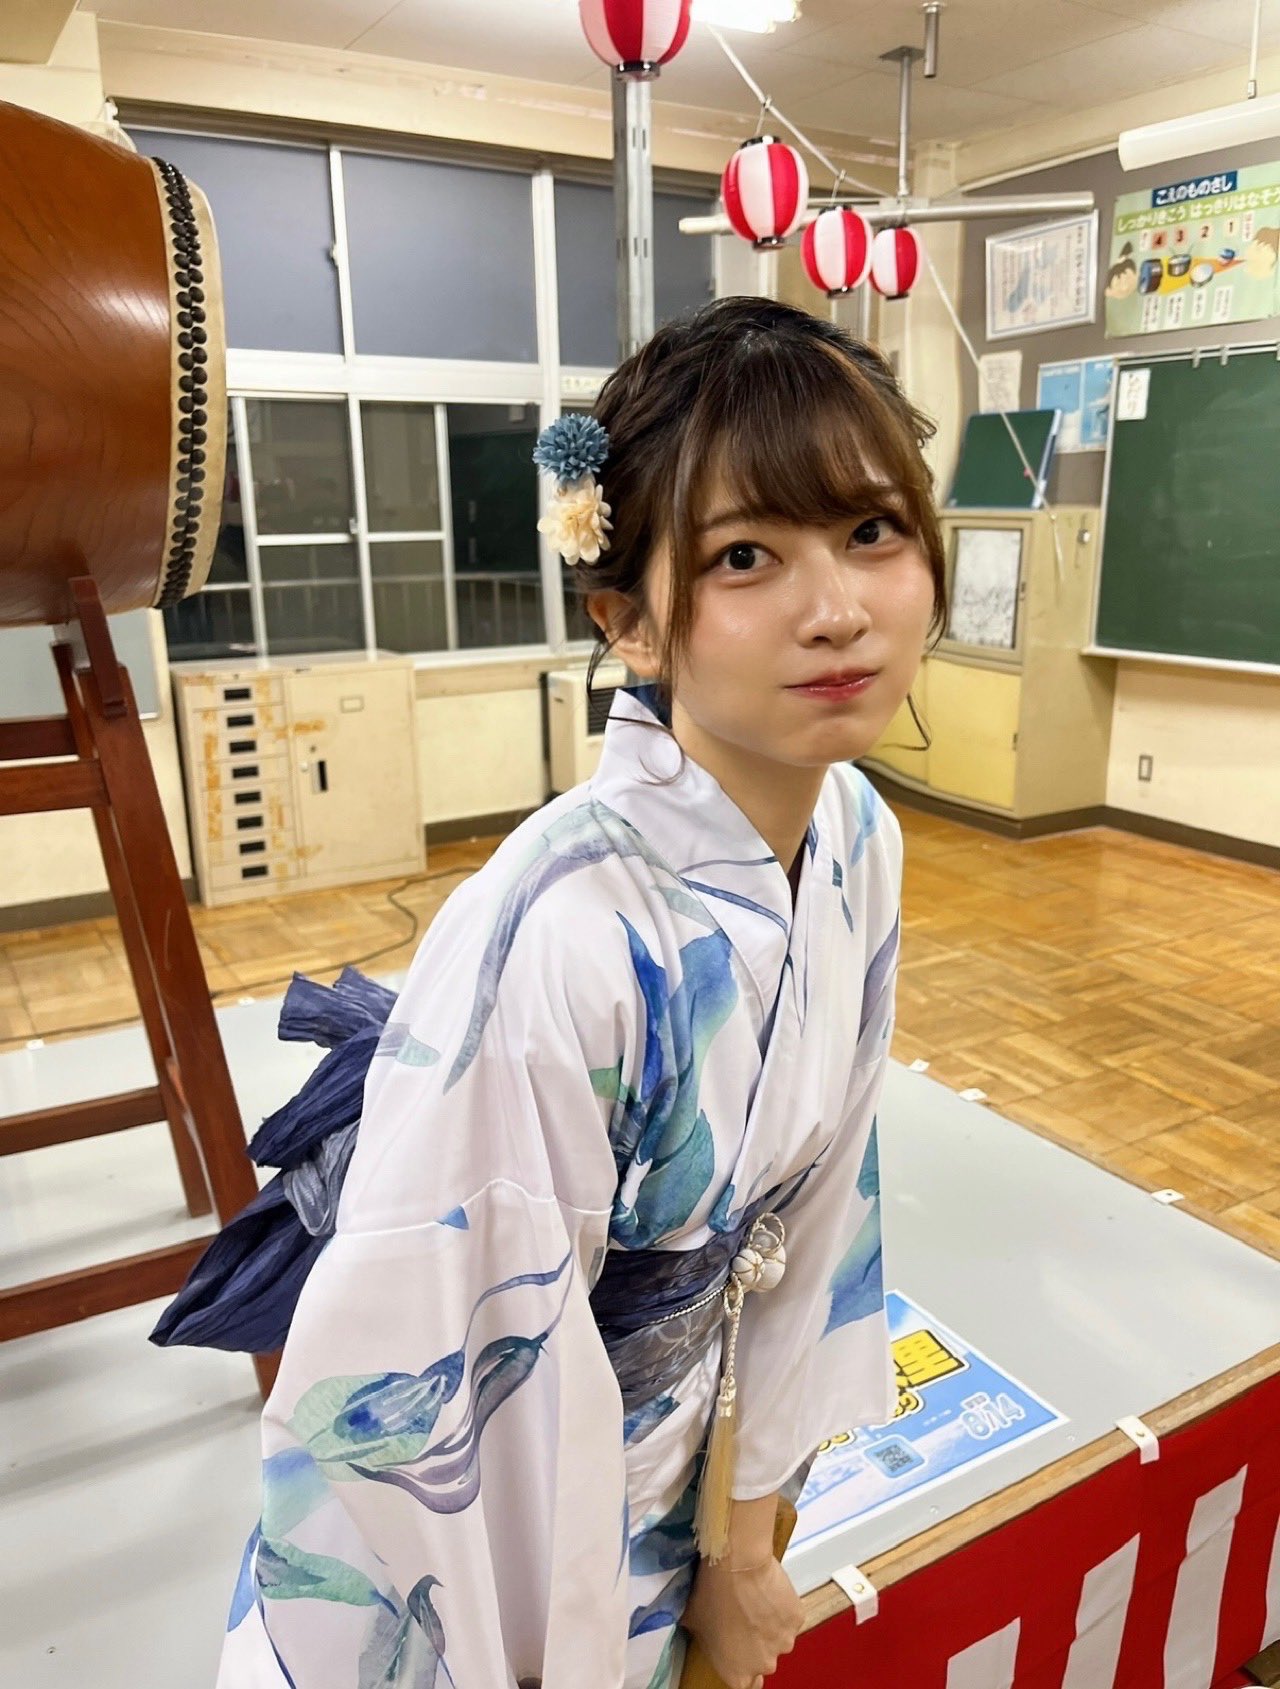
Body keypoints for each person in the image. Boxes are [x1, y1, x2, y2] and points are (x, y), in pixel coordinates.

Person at [198, 296, 946, 1689]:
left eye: (870, 530)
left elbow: (823, 1206)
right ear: (630, 622)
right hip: (511, 1550)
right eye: (744, 555)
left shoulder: (859, 834)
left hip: (685, 1465)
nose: (837, 608)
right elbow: (445, 1390)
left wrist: (741, 1543)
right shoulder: (561, 935)